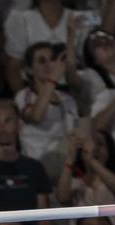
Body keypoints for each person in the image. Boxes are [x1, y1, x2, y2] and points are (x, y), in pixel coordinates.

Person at [16, 41, 80, 178]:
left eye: (51, 60)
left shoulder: (67, 99)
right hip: (35, 172)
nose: (48, 65)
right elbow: (36, 117)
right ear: (29, 69)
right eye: (41, 61)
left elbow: (74, 133)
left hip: (64, 173)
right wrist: (52, 80)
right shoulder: (23, 96)